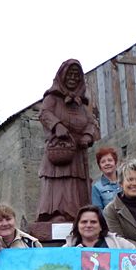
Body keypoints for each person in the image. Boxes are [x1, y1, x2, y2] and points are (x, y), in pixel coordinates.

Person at [36, 59, 100, 222]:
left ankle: (78, 216)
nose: (72, 78)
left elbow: (92, 122)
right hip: (59, 149)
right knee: (58, 184)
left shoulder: (81, 104)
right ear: (62, 76)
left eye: (76, 75)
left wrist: (88, 135)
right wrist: (57, 126)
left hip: (77, 152)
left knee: (76, 186)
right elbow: (44, 114)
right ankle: (55, 214)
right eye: (69, 74)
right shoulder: (52, 98)